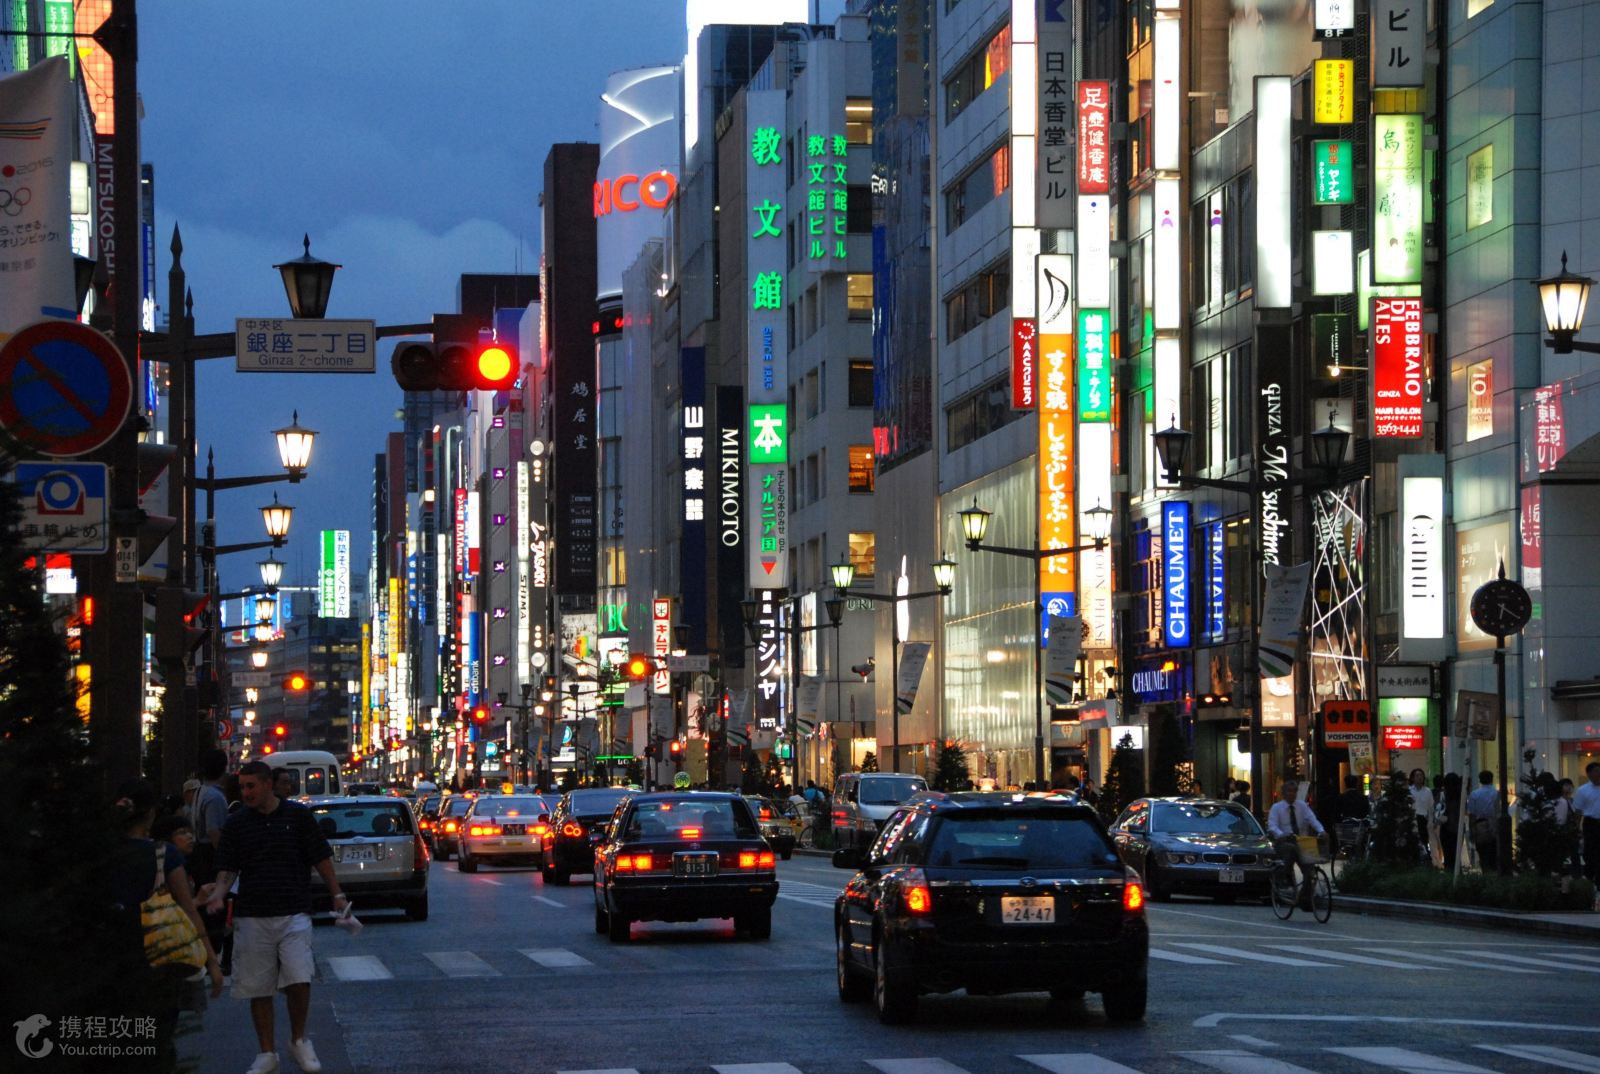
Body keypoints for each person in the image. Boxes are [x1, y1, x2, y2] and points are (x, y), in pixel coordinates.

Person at [205, 760, 345, 1074]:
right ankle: (267, 1052)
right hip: (253, 912)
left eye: (251, 786)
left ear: (268, 784)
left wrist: (336, 893)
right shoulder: (237, 823)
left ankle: (298, 1039)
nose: (246, 792)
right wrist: (217, 893)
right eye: (242, 787)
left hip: (294, 908)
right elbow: (228, 868)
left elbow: (320, 857)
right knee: (259, 986)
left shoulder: (298, 816)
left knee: (299, 976)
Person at [114, 780, 225, 1067]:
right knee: (162, 1033)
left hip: (115, 953)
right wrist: (211, 962)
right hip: (160, 952)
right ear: (151, 814)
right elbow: (189, 911)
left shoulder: (105, 853)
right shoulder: (163, 855)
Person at [1266, 777, 1325, 908]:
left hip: (1301, 841)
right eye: (1289, 791)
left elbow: (1312, 819)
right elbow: (1272, 826)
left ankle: (1306, 897)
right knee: (1290, 850)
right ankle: (1284, 878)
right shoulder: (1277, 808)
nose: (1292, 794)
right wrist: (1281, 835)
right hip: (1284, 841)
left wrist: (1321, 831)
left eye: (1294, 791)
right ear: (1284, 793)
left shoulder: (1302, 806)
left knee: (1309, 870)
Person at [1576, 763, 1600, 903]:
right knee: (1590, 852)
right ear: (1589, 774)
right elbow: (1578, 811)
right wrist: (1576, 828)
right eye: (1596, 772)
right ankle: (1590, 879)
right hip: (1590, 823)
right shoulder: (1583, 790)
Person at [1466, 770, 1499, 870]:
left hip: (1480, 826)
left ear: (1480, 780)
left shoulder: (1475, 794)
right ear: (1492, 779)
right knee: (1494, 853)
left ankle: (1485, 872)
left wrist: (1471, 831)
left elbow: (1472, 814)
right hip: (1494, 825)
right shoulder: (1496, 793)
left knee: (1482, 852)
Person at [1438, 772, 1463, 872]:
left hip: (1445, 828)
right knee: (1457, 854)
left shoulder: (1443, 795)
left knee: (1448, 855)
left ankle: (1449, 873)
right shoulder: (1461, 796)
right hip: (1458, 828)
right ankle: (1457, 873)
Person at [1408, 768, 1435, 861]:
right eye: (1417, 775)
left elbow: (1431, 808)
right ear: (1412, 778)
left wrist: (1430, 821)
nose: (1419, 777)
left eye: (1421, 775)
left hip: (1423, 819)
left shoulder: (1428, 791)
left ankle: (1425, 859)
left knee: (1424, 840)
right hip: (1412, 819)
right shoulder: (1409, 791)